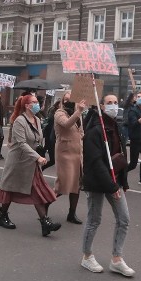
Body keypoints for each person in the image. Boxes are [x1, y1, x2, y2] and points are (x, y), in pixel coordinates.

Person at [80, 94, 134, 277]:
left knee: (124, 219)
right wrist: (112, 187)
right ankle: (87, 256)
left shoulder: (115, 126)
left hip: (115, 180)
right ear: (101, 106)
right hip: (97, 182)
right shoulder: (95, 130)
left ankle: (116, 259)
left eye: (115, 102)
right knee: (94, 220)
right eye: (109, 103)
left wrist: (123, 182)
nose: (113, 105)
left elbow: (120, 155)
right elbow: (95, 162)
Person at [0, 94, 61, 236]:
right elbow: (21, 143)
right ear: (27, 106)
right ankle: (3, 216)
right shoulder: (19, 121)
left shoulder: (36, 119)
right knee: (9, 189)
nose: (38, 104)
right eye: (35, 102)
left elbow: (37, 139)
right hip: (18, 162)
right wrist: (38, 157)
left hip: (30, 162)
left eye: (37, 102)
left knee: (36, 190)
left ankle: (44, 222)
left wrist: (41, 151)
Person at [54, 92, 86, 224]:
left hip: (77, 153)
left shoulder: (78, 114)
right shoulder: (59, 113)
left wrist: (81, 137)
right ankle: (43, 205)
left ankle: (72, 213)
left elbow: (80, 131)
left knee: (76, 185)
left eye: (70, 99)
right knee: (63, 185)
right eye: (66, 99)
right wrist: (78, 111)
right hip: (65, 154)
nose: (68, 102)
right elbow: (67, 124)